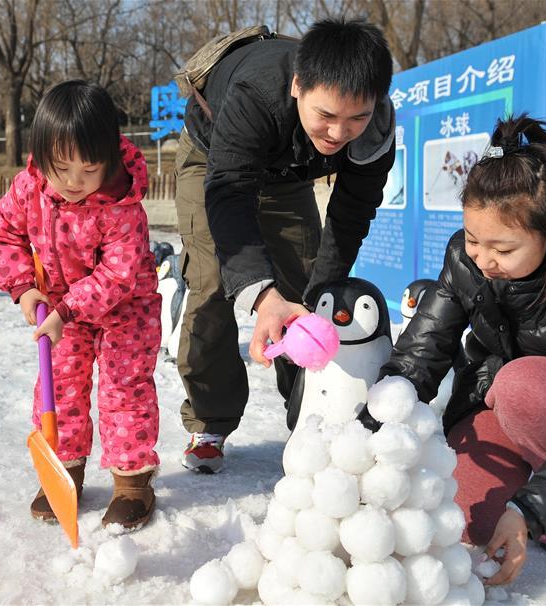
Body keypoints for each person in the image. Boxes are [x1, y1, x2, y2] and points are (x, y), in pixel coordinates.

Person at [368, 114, 546, 585]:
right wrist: (369, 434)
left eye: (502, 247)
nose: (483, 258)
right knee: (459, 517)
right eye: (474, 239)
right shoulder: (465, 257)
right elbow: (422, 352)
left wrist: (531, 511)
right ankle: (527, 478)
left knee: (524, 385)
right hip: (494, 402)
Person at [175, 18, 395, 473]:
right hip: (214, 162)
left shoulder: (374, 128)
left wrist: (310, 293)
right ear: (298, 85)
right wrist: (260, 294)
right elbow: (229, 189)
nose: (339, 133)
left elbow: (350, 216)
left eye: (357, 117)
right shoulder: (257, 95)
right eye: (327, 116)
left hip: (288, 174)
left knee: (309, 287)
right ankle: (210, 419)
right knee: (215, 281)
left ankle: (310, 413)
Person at [0, 80, 161, 530]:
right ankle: (65, 471)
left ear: (110, 158)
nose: (73, 182)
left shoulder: (122, 205)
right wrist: (24, 287)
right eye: (61, 167)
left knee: (124, 387)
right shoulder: (30, 189)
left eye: (89, 168)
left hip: (126, 309)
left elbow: (117, 276)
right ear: (41, 156)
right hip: (62, 311)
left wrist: (65, 310)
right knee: (59, 388)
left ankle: (132, 481)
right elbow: (2, 236)